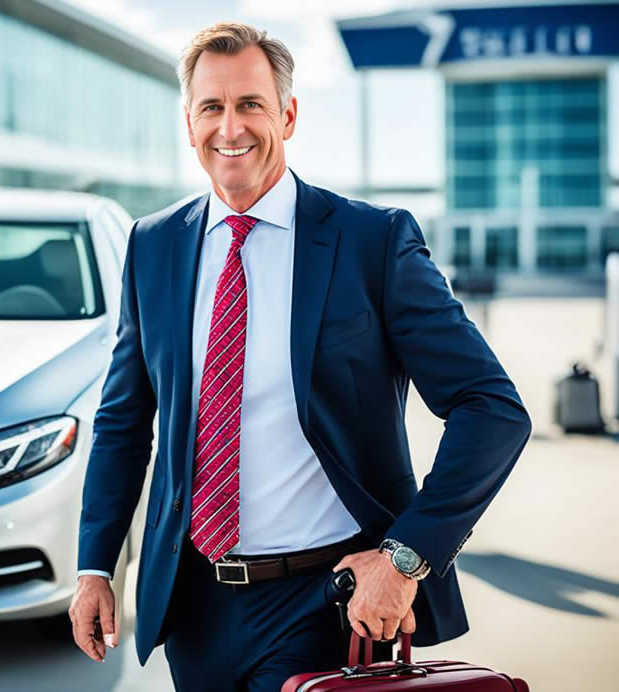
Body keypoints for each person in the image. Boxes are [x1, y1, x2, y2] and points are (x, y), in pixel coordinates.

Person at [69, 21, 531, 692]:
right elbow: (122, 421)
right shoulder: (154, 245)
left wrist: (404, 558)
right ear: (189, 121)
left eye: (251, 104)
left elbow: (492, 408)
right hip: (191, 604)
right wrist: (94, 567)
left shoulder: (370, 242)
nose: (231, 127)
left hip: (323, 606)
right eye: (212, 107)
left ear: (286, 115)